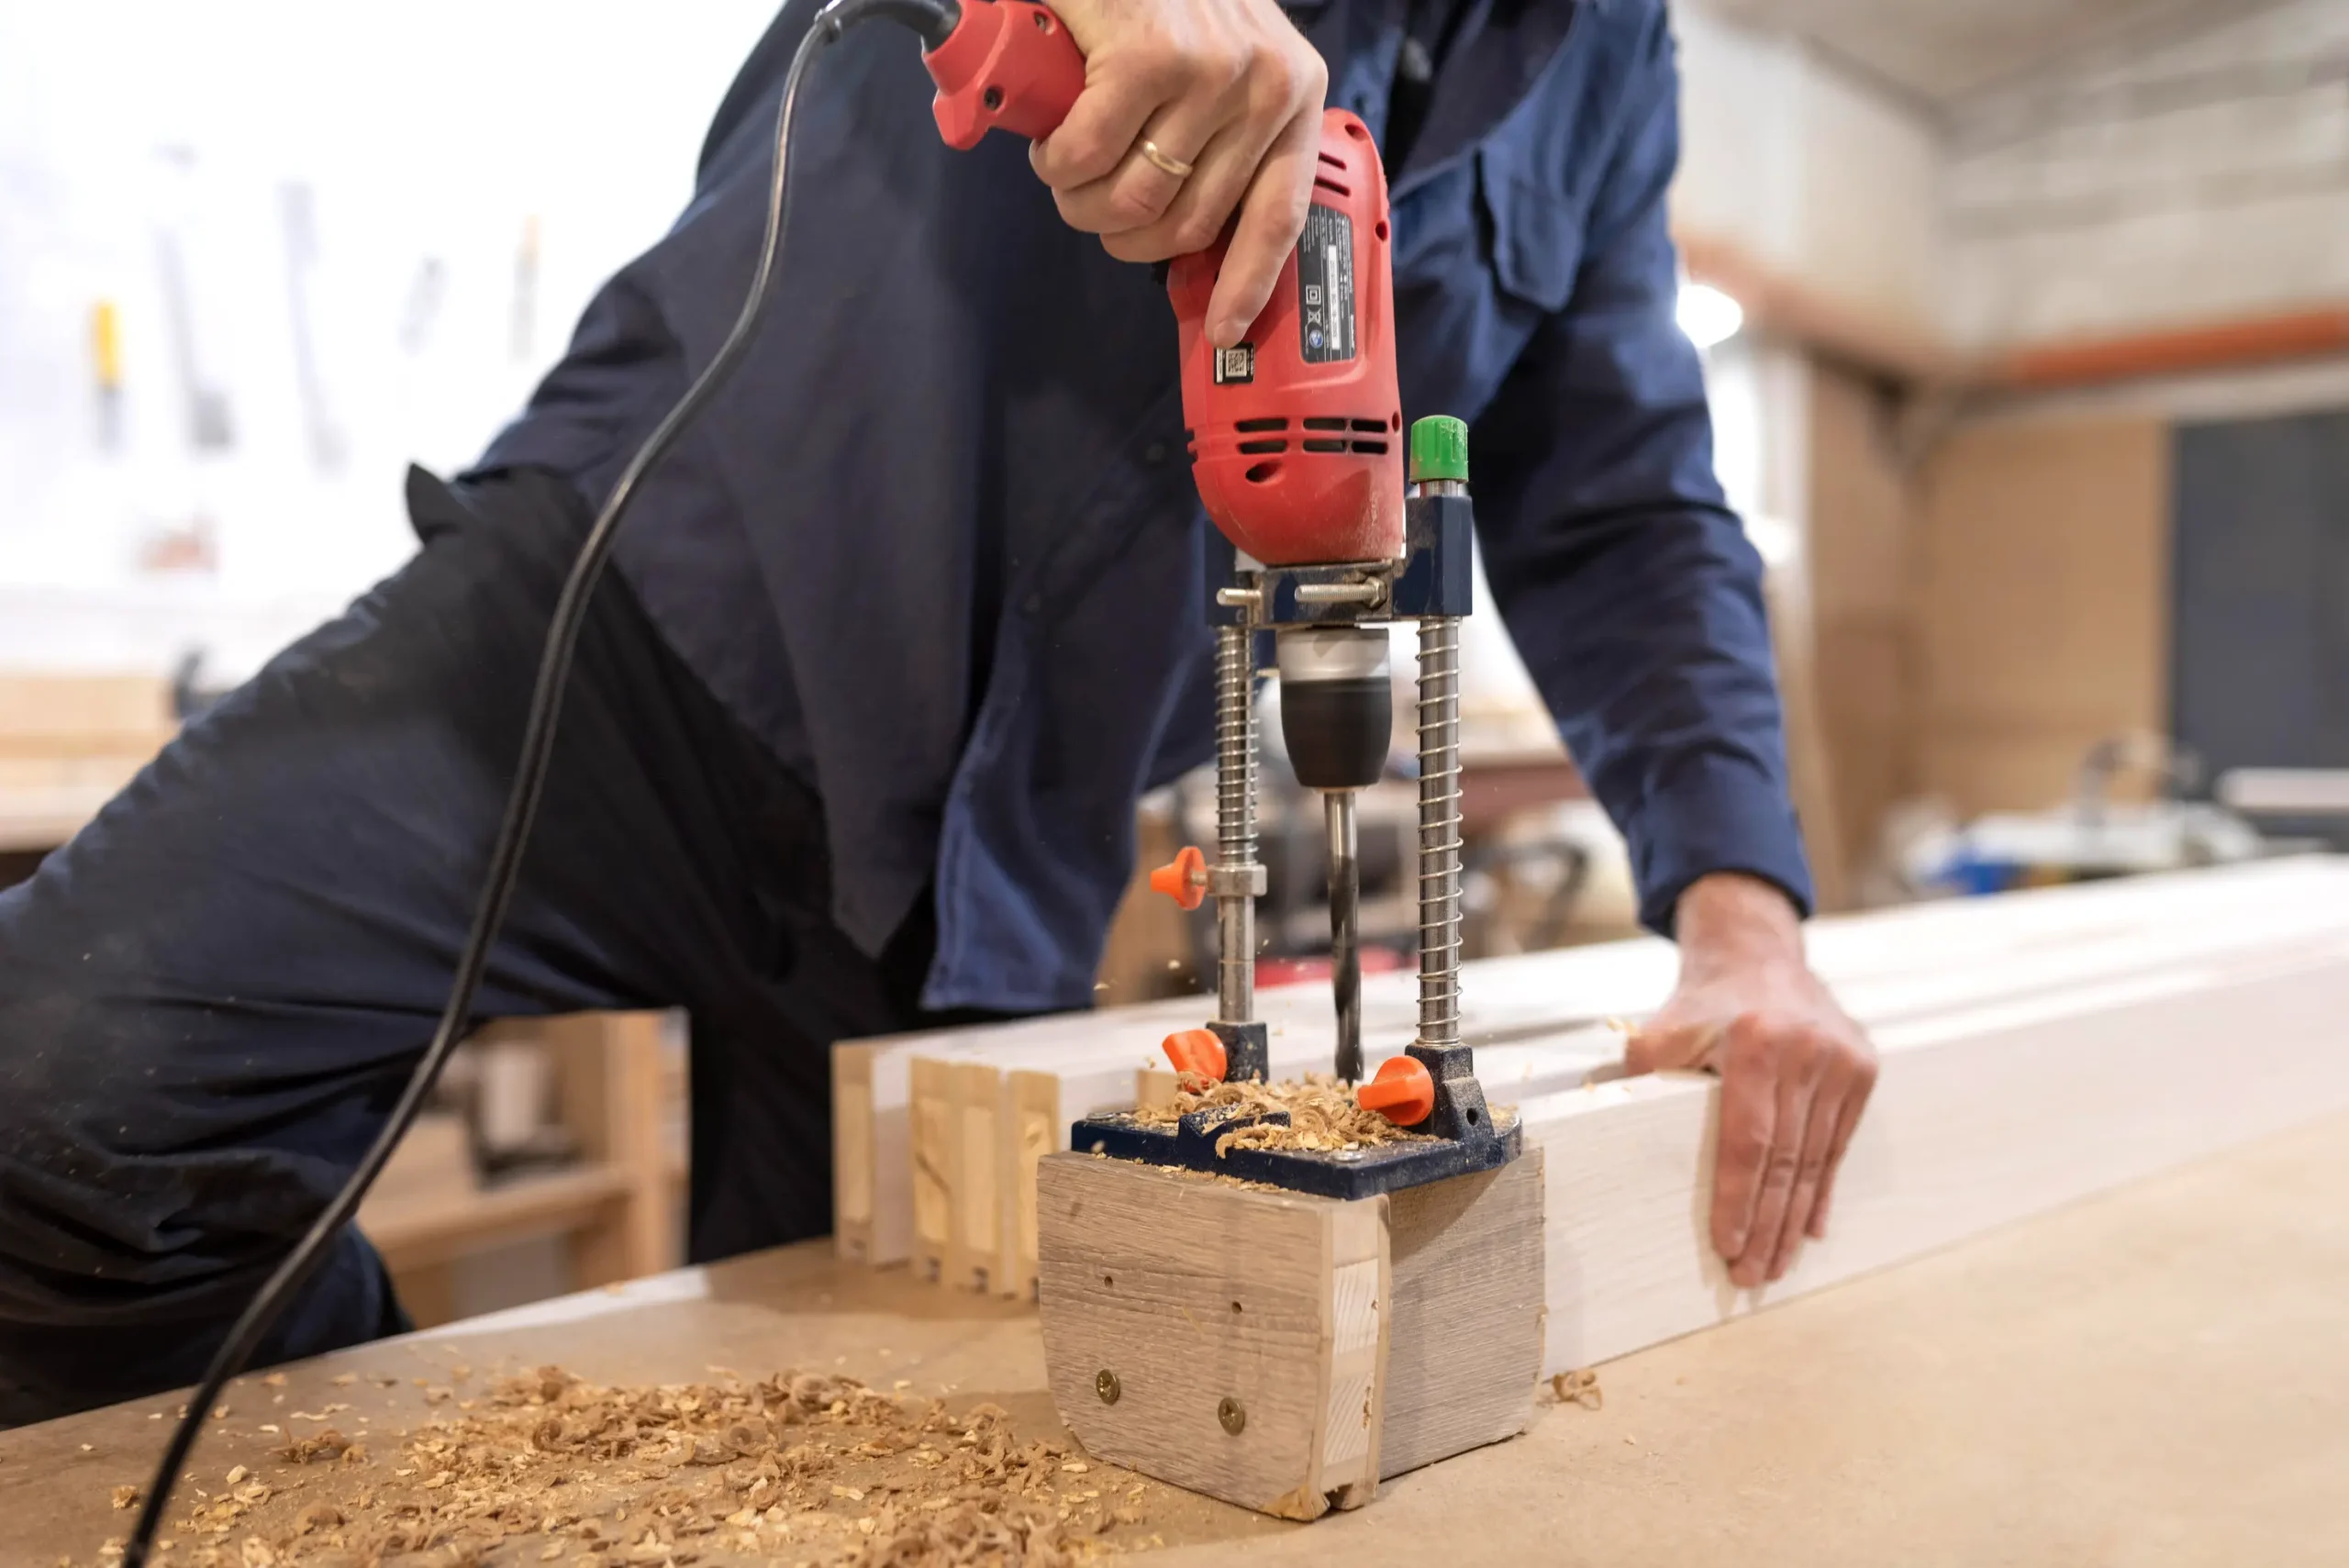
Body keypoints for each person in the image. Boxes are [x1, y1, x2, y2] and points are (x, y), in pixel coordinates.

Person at [0, 0, 1876, 1427]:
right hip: (631, 627)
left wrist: (1742, 911)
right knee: (47, 1101)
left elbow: (1621, 494)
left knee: (838, 1416)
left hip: (995, 840)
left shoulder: (1605, 59)